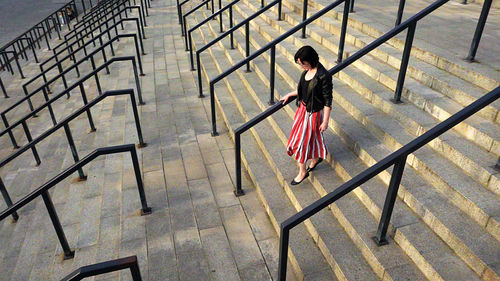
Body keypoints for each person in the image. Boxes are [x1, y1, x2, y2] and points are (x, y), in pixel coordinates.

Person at [280, 46, 333, 185]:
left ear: (311, 60)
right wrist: (290, 94)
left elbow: (328, 100)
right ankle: (315, 159)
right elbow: (305, 90)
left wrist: (325, 121)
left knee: (301, 142)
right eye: (300, 63)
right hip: (302, 111)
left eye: (303, 63)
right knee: (307, 139)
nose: (301, 66)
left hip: (313, 114)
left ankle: (303, 172)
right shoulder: (306, 72)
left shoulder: (323, 76)